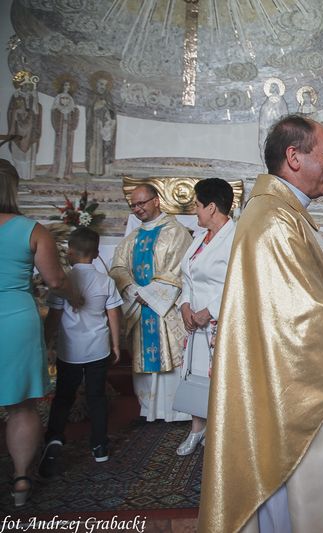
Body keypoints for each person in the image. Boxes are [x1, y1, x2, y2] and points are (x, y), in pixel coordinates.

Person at [198, 115, 323, 532]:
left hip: (285, 386)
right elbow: (303, 318)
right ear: (294, 157)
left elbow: (316, 282)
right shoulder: (274, 220)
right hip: (291, 398)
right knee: (292, 508)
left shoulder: (283, 212)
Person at [0, 159, 80, 507]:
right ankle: (20, 480)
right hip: (16, 319)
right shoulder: (32, 231)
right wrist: (77, 297)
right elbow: (56, 281)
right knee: (21, 407)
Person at [39, 228, 122, 476]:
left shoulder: (63, 282)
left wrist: (45, 343)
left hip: (70, 350)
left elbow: (54, 318)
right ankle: (100, 446)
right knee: (96, 397)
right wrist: (116, 345)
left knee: (64, 396)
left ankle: (54, 437)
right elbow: (113, 315)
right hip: (98, 348)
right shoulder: (106, 281)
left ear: (70, 252)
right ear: (96, 254)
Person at [110, 184, 193, 422]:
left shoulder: (176, 232)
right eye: (133, 205)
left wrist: (150, 294)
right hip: (139, 308)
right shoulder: (131, 238)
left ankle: (175, 412)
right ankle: (148, 409)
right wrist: (133, 290)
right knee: (145, 359)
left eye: (141, 203)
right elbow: (118, 268)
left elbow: (179, 270)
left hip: (165, 310)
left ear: (156, 200)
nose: (137, 209)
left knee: (171, 357)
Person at [174, 178, 236, 456]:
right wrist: (185, 305)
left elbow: (238, 281)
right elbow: (187, 276)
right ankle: (197, 429)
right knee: (196, 374)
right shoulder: (200, 238)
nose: (195, 211)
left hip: (221, 322)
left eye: (197, 205)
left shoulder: (236, 238)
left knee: (221, 379)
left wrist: (209, 311)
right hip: (195, 322)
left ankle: (221, 432)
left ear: (211, 207)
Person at [6, 71, 41, 181]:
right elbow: (11, 111)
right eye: (25, 84)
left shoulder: (32, 96)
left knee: (30, 154)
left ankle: (29, 176)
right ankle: (19, 175)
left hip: (30, 130)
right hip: (18, 129)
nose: (27, 86)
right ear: (20, 85)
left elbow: (36, 112)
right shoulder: (16, 97)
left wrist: (35, 99)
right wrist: (17, 112)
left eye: (28, 84)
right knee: (19, 154)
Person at [85, 71, 116, 176]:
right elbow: (89, 110)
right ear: (96, 84)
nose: (103, 87)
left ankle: (101, 170)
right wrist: (97, 106)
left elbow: (112, 111)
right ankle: (93, 169)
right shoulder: (92, 96)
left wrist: (109, 117)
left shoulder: (108, 96)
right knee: (94, 146)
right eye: (101, 84)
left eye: (105, 85)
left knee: (103, 147)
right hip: (95, 124)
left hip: (105, 125)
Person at [50, 79, 79, 179]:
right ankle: (58, 172)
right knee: (59, 149)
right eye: (66, 85)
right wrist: (57, 127)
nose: (67, 87)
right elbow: (54, 112)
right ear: (62, 86)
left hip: (68, 129)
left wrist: (72, 124)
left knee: (68, 149)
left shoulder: (71, 98)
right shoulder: (58, 97)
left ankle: (67, 172)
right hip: (61, 129)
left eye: (68, 85)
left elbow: (74, 112)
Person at [257, 78, 289, 166]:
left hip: (277, 129)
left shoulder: (281, 100)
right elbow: (264, 114)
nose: (273, 89)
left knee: (278, 147)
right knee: (264, 145)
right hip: (267, 128)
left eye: (275, 87)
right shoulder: (267, 101)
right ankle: (266, 165)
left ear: (278, 88)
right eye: (272, 87)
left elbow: (284, 115)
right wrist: (265, 126)